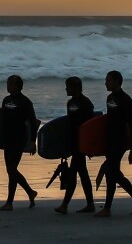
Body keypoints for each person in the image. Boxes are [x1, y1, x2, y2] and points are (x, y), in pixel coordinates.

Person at [94, 70, 132, 218]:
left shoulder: (126, 100)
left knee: (111, 172)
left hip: (120, 141)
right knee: (114, 173)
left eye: (108, 80)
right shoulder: (110, 98)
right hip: (110, 141)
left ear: (117, 81)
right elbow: (108, 122)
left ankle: (108, 208)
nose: (105, 82)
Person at [0, 74, 39, 211]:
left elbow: (33, 123)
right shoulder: (6, 100)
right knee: (11, 170)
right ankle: (29, 193)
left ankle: (10, 202)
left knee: (11, 169)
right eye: (7, 84)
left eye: (11, 84)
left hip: (19, 139)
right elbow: (2, 121)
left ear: (19, 86)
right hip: (7, 139)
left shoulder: (25, 102)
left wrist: (33, 141)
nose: (8, 86)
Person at [55, 76, 96, 214]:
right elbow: (68, 124)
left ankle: (65, 205)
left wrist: (89, 145)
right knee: (82, 173)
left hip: (82, 143)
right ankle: (90, 204)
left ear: (76, 87)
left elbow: (90, 126)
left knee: (73, 174)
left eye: (68, 86)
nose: (66, 89)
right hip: (73, 142)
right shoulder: (70, 103)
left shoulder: (86, 103)